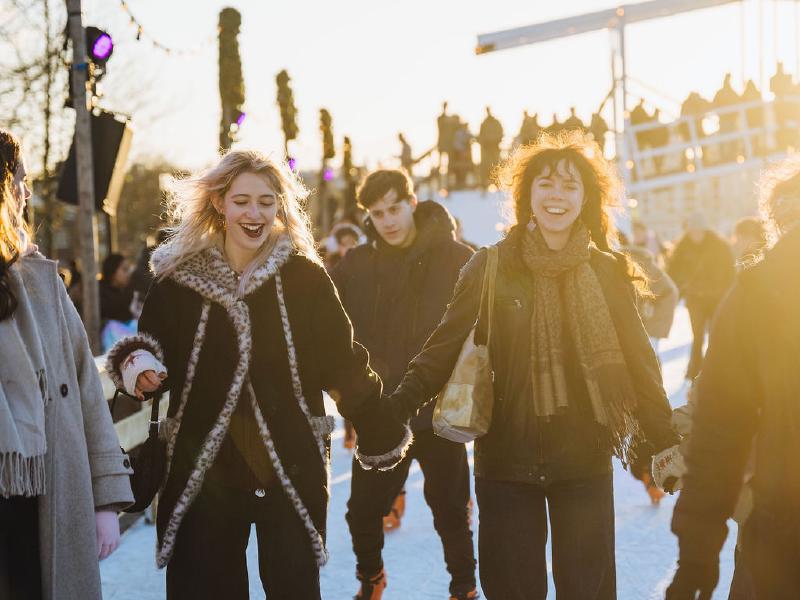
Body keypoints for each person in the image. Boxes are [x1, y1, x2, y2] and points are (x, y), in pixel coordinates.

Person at [105, 150, 410, 600]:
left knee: (293, 587)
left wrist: (378, 425)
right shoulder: (178, 282)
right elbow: (147, 344)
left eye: (267, 202)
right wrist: (139, 367)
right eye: (242, 201)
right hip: (205, 469)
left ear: (279, 207)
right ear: (219, 203)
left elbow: (342, 362)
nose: (255, 214)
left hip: (288, 463)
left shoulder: (304, 278)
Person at [385, 131, 679, 599]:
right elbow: (442, 349)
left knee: (587, 592)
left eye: (569, 185)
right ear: (526, 195)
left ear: (586, 198)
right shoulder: (490, 266)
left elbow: (641, 363)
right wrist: (394, 409)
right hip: (506, 461)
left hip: (583, 459)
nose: (556, 195)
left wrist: (664, 438)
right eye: (545, 183)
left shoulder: (607, 272)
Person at [0, 129, 133, 600]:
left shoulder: (40, 283)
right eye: (18, 180)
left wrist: (105, 498)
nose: (26, 193)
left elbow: (84, 390)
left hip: (40, 500)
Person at [333, 169, 477, 600]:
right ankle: (371, 578)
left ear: (412, 203)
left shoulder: (456, 258)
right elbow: (329, 330)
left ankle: (464, 589)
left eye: (394, 208)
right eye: (377, 214)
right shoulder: (357, 266)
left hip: (440, 410)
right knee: (361, 513)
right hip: (382, 413)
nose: (388, 220)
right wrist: (353, 399)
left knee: (451, 513)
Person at [666, 157, 800, 600]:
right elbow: (721, 427)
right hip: (780, 534)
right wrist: (697, 551)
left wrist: (697, 553)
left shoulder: (753, 293)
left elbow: (718, 429)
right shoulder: (754, 297)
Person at [667, 212, 735, 380]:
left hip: (716, 297)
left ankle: (716, 368)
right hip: (695, 298)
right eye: (692, 231)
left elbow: (730, 271)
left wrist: (727, 292)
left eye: (699, 231)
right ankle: (694, 370)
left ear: (705, 230)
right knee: (697, 335)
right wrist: (679, 289)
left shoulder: (720, 246)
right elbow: (673, 272)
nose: (696, 235)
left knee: (715, 334)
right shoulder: (682, 247)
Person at [99, 253, 137, 352]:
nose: (128, 274)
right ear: (112, 271)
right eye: (124, 270)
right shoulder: (99, 293)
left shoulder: (129, 291)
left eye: (128, 270)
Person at [478, 107, 504, 190]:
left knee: (496, 165)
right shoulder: (484, 123)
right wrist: (485, 143)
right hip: (487, 148)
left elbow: (501, 133)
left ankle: (497, 184)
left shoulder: (496, 122)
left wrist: (496, 141)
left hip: (494, 147)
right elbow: (481, 135)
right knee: (485, 166)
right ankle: (484, 184)